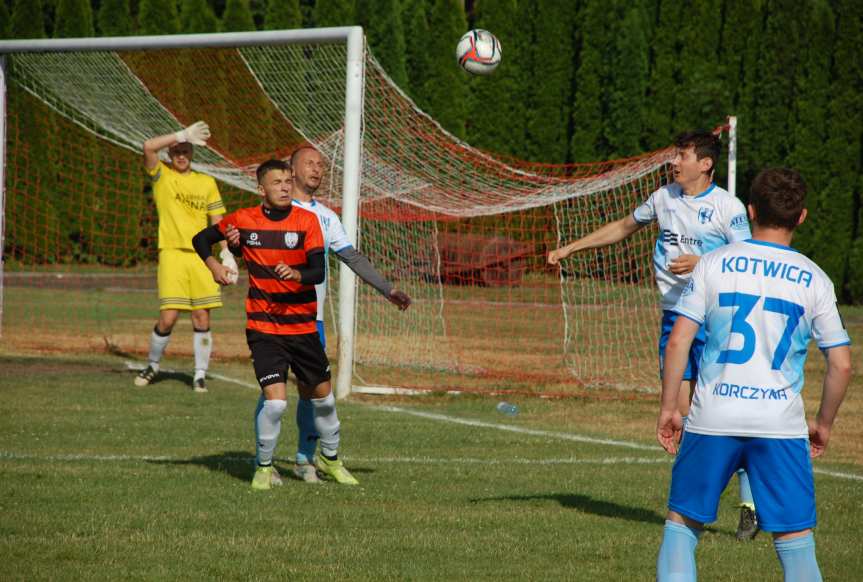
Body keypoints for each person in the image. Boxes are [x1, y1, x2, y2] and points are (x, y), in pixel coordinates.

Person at [548, 130, 760, 538]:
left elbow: (746, 257)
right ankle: (696, 504)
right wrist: (570, 248)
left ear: (705, 164)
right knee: (690, 419)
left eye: (682, 155)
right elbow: (624, 226)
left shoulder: (725, 206)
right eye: (674, 155)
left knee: (721, 414)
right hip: (674, 318)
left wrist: (701, 261)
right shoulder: (663, 198)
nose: (674, 162)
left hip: (717, 320)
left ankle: (749, 502)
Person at [655, 167, 852, 581]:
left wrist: (671, 407)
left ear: (750, 211)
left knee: (682, 525)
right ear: (801, 217)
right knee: (795, 541)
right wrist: (823, 424)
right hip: (779, 425)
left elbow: (678, 342)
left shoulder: (713, 264)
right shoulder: (815, 278)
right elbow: (841, 363)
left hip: (712, 418)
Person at [226, 145, 411, 484]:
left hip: (312, 320)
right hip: (271, 319)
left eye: (321, 164)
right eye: (309, 162)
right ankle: (262, 462)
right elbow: (238, 246)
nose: (317, 168)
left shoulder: (325, 217)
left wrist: (387, 289)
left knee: (315, 394)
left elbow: (351, 257)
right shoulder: (271, 208)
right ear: (290, 170)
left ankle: (304, 459)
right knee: (273, 395)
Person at [192, 159, 359, 489]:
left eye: (287, 181)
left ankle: (330, 457)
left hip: (302, 328)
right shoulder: (243, 220)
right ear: (261, 188)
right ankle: (264, 467)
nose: (284, 187)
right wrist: (214, 265)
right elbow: (201, 239)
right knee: (277, 402)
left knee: (323, 401)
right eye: (277, 182)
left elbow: (318, 272)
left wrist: (297, 274)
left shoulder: (307, 221)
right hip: (264, 328)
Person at [134, 121, 237, 393]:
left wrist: (226, 252)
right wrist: (180, 134)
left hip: (201, 257)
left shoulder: (207, 183)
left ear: (192, 154)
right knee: (168, 317)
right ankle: (153, 364)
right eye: (176, 151)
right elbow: (147, 147)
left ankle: (200, 374)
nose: (181, 155)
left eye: (186, 151)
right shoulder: (162, 176)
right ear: (170, 154)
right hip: (172, 255)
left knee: (202, 318)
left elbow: (218, 221)